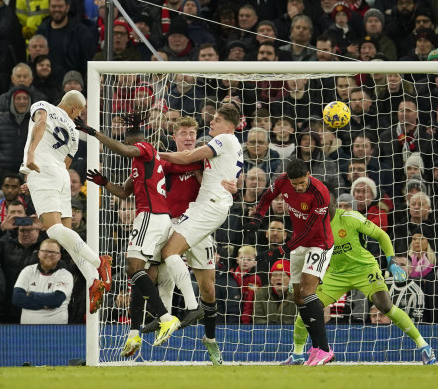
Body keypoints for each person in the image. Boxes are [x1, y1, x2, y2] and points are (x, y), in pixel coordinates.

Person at [75, 113, 200, 351]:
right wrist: (104, 183)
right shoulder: (140, 165)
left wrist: (93, 133)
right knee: (140, 275)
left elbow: (123, 150)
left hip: (150, 217)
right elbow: (124, 193)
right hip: (158, 220)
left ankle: (166, 318)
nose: (130, 148)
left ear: (135, 142)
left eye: (129, 144)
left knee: (132, 268)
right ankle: (134, 333)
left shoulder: (145, 148)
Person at [282, 190, 436, 365]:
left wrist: (391, 261)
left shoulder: (350, 218)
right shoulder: (312, 226)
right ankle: (297, 354)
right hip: (335, 274)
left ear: (333, 205)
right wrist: (298, 278)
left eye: (324, 205)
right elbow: (304, 252)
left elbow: (381, 235)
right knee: (306, 307)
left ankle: (424, 346)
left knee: (385, 306)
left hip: (364, 269)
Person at [155, 104, 243, 357]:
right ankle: (170, 319)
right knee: (186, 276)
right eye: (183, 133)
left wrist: (154, 152)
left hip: (204, 213)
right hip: (186, 217)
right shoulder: (209, 156)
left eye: (216, 120)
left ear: (229, 126)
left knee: (189, 270)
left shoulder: (218, 144)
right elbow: (219, 177)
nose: (210, 124)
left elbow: (187, 159)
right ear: (175, 136)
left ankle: (198, 318)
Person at [20, 90, 110, 315]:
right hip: (61, 176)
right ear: (73, 109)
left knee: (53, 229)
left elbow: (40, 123)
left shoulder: (44, 106)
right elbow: (66, 163)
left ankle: (99, 263)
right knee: (66, 237)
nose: (79, 115)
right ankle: (92, 280)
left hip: (43, 170)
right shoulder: (72, 131)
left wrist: (31, 154)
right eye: (80, 110)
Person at [245, 159, 334, 366]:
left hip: (319, 244)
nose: (298, 187)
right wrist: (258, 216)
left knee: (308, 292)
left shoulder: (321, 193)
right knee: (297, 297)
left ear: (309, 174)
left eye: (302, 182)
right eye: (295, 184)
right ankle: (307, 351)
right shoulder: (282, 181)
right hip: (298, 243)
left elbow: (310, 229)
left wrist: (281, 250)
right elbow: (267, 196)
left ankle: (325, 349)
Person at [12, 239, 74, 324]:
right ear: (39, 253)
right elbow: (17, 299)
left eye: (53, 252)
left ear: (59, 256)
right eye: (45, 251)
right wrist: (47, 303)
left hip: (56, 333)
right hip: (27, 332)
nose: (48, 255)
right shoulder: (27, 271)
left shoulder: (65, 275)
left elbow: (57, 299)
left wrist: (31, 294)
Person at [253, 259, 296, 324]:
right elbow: (257, 319)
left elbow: (300, 319)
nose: (278, 278)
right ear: (271, 280)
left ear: (290, 278)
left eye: (282, 275)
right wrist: (271, 325)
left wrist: (283, 324)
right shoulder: (261, 293)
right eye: (274, 275)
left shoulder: (297, 294)